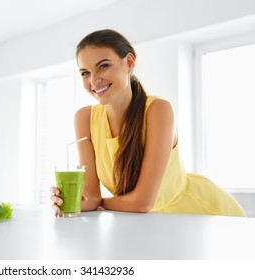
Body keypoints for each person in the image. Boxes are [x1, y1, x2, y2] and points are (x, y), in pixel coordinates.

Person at [50, 29, 245, 217]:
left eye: (103, 66)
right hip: (151, 226)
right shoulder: (84, 118)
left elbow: (142, 203)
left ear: (129, 62)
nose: (94, 80)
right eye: (85, 73)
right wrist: (73, 201)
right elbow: (91, 196)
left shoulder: (158, 110)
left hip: (204, 215)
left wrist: (99, 203)